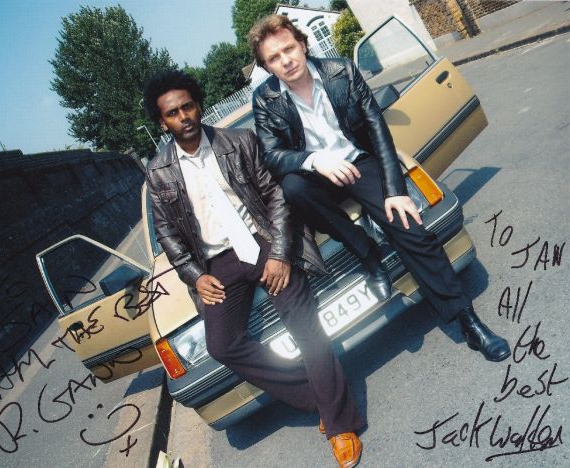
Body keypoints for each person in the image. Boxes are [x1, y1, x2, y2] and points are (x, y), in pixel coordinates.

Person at [248, 15, 510, 367]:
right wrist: (313, 159)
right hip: (316, 175)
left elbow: (377, 129)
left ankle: (468, 321)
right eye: (274, 58)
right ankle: (366, 251)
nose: (285, 60)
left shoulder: (342, 71)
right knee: (293, 187)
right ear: (267, 66)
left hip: (359, 162)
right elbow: (271, 155)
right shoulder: (266, 99)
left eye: (288, 49)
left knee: (411, 230)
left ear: (303, 45)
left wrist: (396, 190)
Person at [143, 70, 365, 468]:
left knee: (303, 324)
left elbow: (275, 196)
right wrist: (196, 275)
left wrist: (279, 253)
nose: (184, 116)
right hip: (217, 263)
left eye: (188, 106)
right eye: (173, 113)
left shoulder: (239, 141)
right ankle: (321, 395)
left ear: (198, 105)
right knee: (221, 344)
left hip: (262, 240)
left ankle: (339, 425)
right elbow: (168, 235)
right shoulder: (158, 172)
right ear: (163, 122)